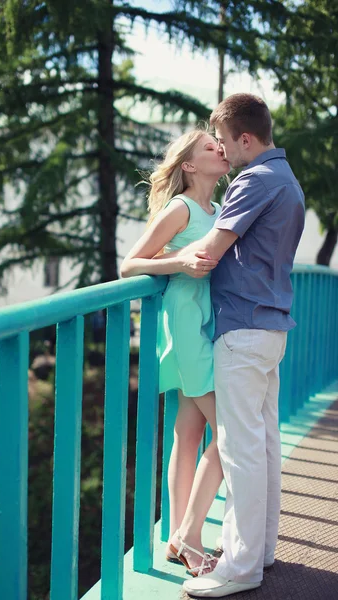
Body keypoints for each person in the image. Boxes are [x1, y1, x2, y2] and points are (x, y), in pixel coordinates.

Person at [161, 94, 305, 598]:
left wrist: (167, 258)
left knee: (240, 450)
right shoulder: (287, 180)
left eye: (223, 141)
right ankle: (258, 551)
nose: (223, 152)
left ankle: (240, 568)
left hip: (242, 330)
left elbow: (211, 251)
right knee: (262, 446)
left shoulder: (254, 180)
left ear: (246, 139)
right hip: (270, 330)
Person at [120, 127, 230, 576]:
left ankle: (174, 540)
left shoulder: (219, 209)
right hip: (185, 330)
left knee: (188, 434)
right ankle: (189, 536)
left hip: (206, 327)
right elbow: (129, 265)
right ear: (188, 165)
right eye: (210, 147)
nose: (220, 149)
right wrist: (179, 263)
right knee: (231, 436)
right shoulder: (181, 208)